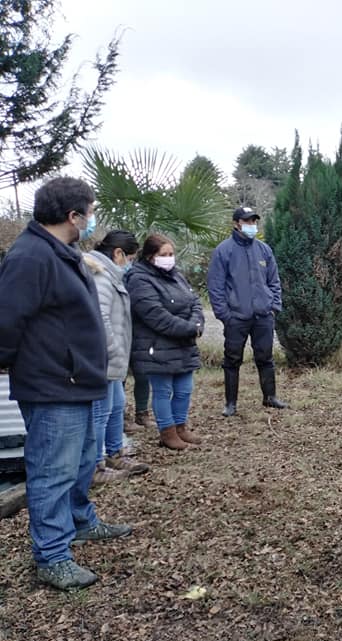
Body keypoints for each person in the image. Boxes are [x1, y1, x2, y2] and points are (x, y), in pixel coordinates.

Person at [0, 177, 131, 591]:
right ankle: (52, 555)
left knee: (79, 462)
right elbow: (7, 322)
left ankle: (80, 520)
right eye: (90, 212)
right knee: (52, 470)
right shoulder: (30, 256)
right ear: (73, 216)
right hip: (54, 384)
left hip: (79, 382)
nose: (93, 220)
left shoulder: (62, 252)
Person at [126, 233, 204, 451]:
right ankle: (167, 432)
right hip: (157, 345)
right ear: (151, 256)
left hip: (184, 343)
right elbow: (155, 315)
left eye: (171, 254)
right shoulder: (139, 279)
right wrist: (190, 328)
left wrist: (196, 324)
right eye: (164, 254)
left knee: (184, 389)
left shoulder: (176, 275)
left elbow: (195, 301)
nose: (169, 258)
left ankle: (180, 427)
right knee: (163, 390)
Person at [207, 207, 286, 417]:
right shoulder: (223, 251)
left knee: (265, 357)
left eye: (253, 221)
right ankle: (230, 403)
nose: (251, 225)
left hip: (263, 315)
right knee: (232, 360)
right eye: (247, 221)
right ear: (236, 223)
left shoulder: (264, 250)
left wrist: (273, 307)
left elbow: (274, 281)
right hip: (236, 317)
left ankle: (270, 397)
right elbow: (215, 287)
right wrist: (225, 315)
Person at [84, 230, 150, 481]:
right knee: (101, 411)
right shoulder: (100, 276)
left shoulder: (110, 275)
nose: (130, 264)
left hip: (114, 359)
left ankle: (115, 452)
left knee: (116, 406)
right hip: (104, 358)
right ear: (118, 254)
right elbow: (101, 320)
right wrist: (113, 350)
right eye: (130, 258)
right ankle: (96, 465)